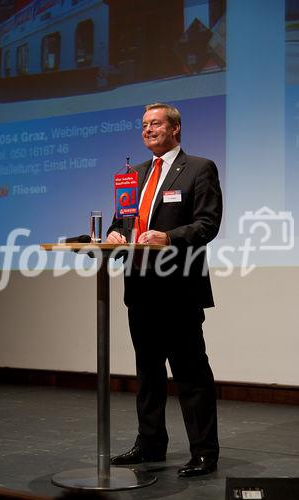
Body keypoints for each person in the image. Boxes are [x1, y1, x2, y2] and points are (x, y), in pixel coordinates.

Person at [106, 103, 222, 477]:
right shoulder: (132, 174)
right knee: (148, 372)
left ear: (176, 129)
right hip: (140, 288)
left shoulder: (199, 168)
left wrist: (168, 236)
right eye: (143, 125)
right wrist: (114, 234)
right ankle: (150, 444)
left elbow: (207, 224)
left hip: (179, 290)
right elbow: (122, 222)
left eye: (155, 123)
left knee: (190, 374)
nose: (147, 130)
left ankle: (204, 452)